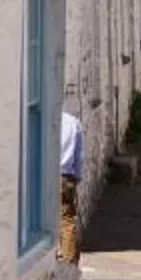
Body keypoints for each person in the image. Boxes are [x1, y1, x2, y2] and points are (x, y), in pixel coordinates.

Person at [57, 107, 86, 264]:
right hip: (64, 175)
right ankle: (69, 263)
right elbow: (79, 156)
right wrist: (77, 178)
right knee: (66, 219)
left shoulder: (46, 119)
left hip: (43, 174)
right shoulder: (73, 122)